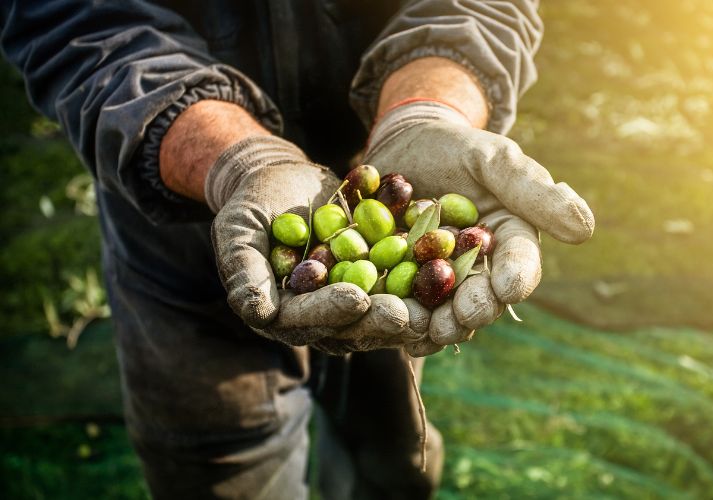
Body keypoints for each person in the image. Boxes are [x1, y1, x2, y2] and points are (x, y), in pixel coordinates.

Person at [1, 1, 593, 498]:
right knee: (219, 464)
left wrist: (429, 109)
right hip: (180, 230)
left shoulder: (394, 234)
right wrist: (238, 161)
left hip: (385, 186)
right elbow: (79, 22)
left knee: (392, 448)